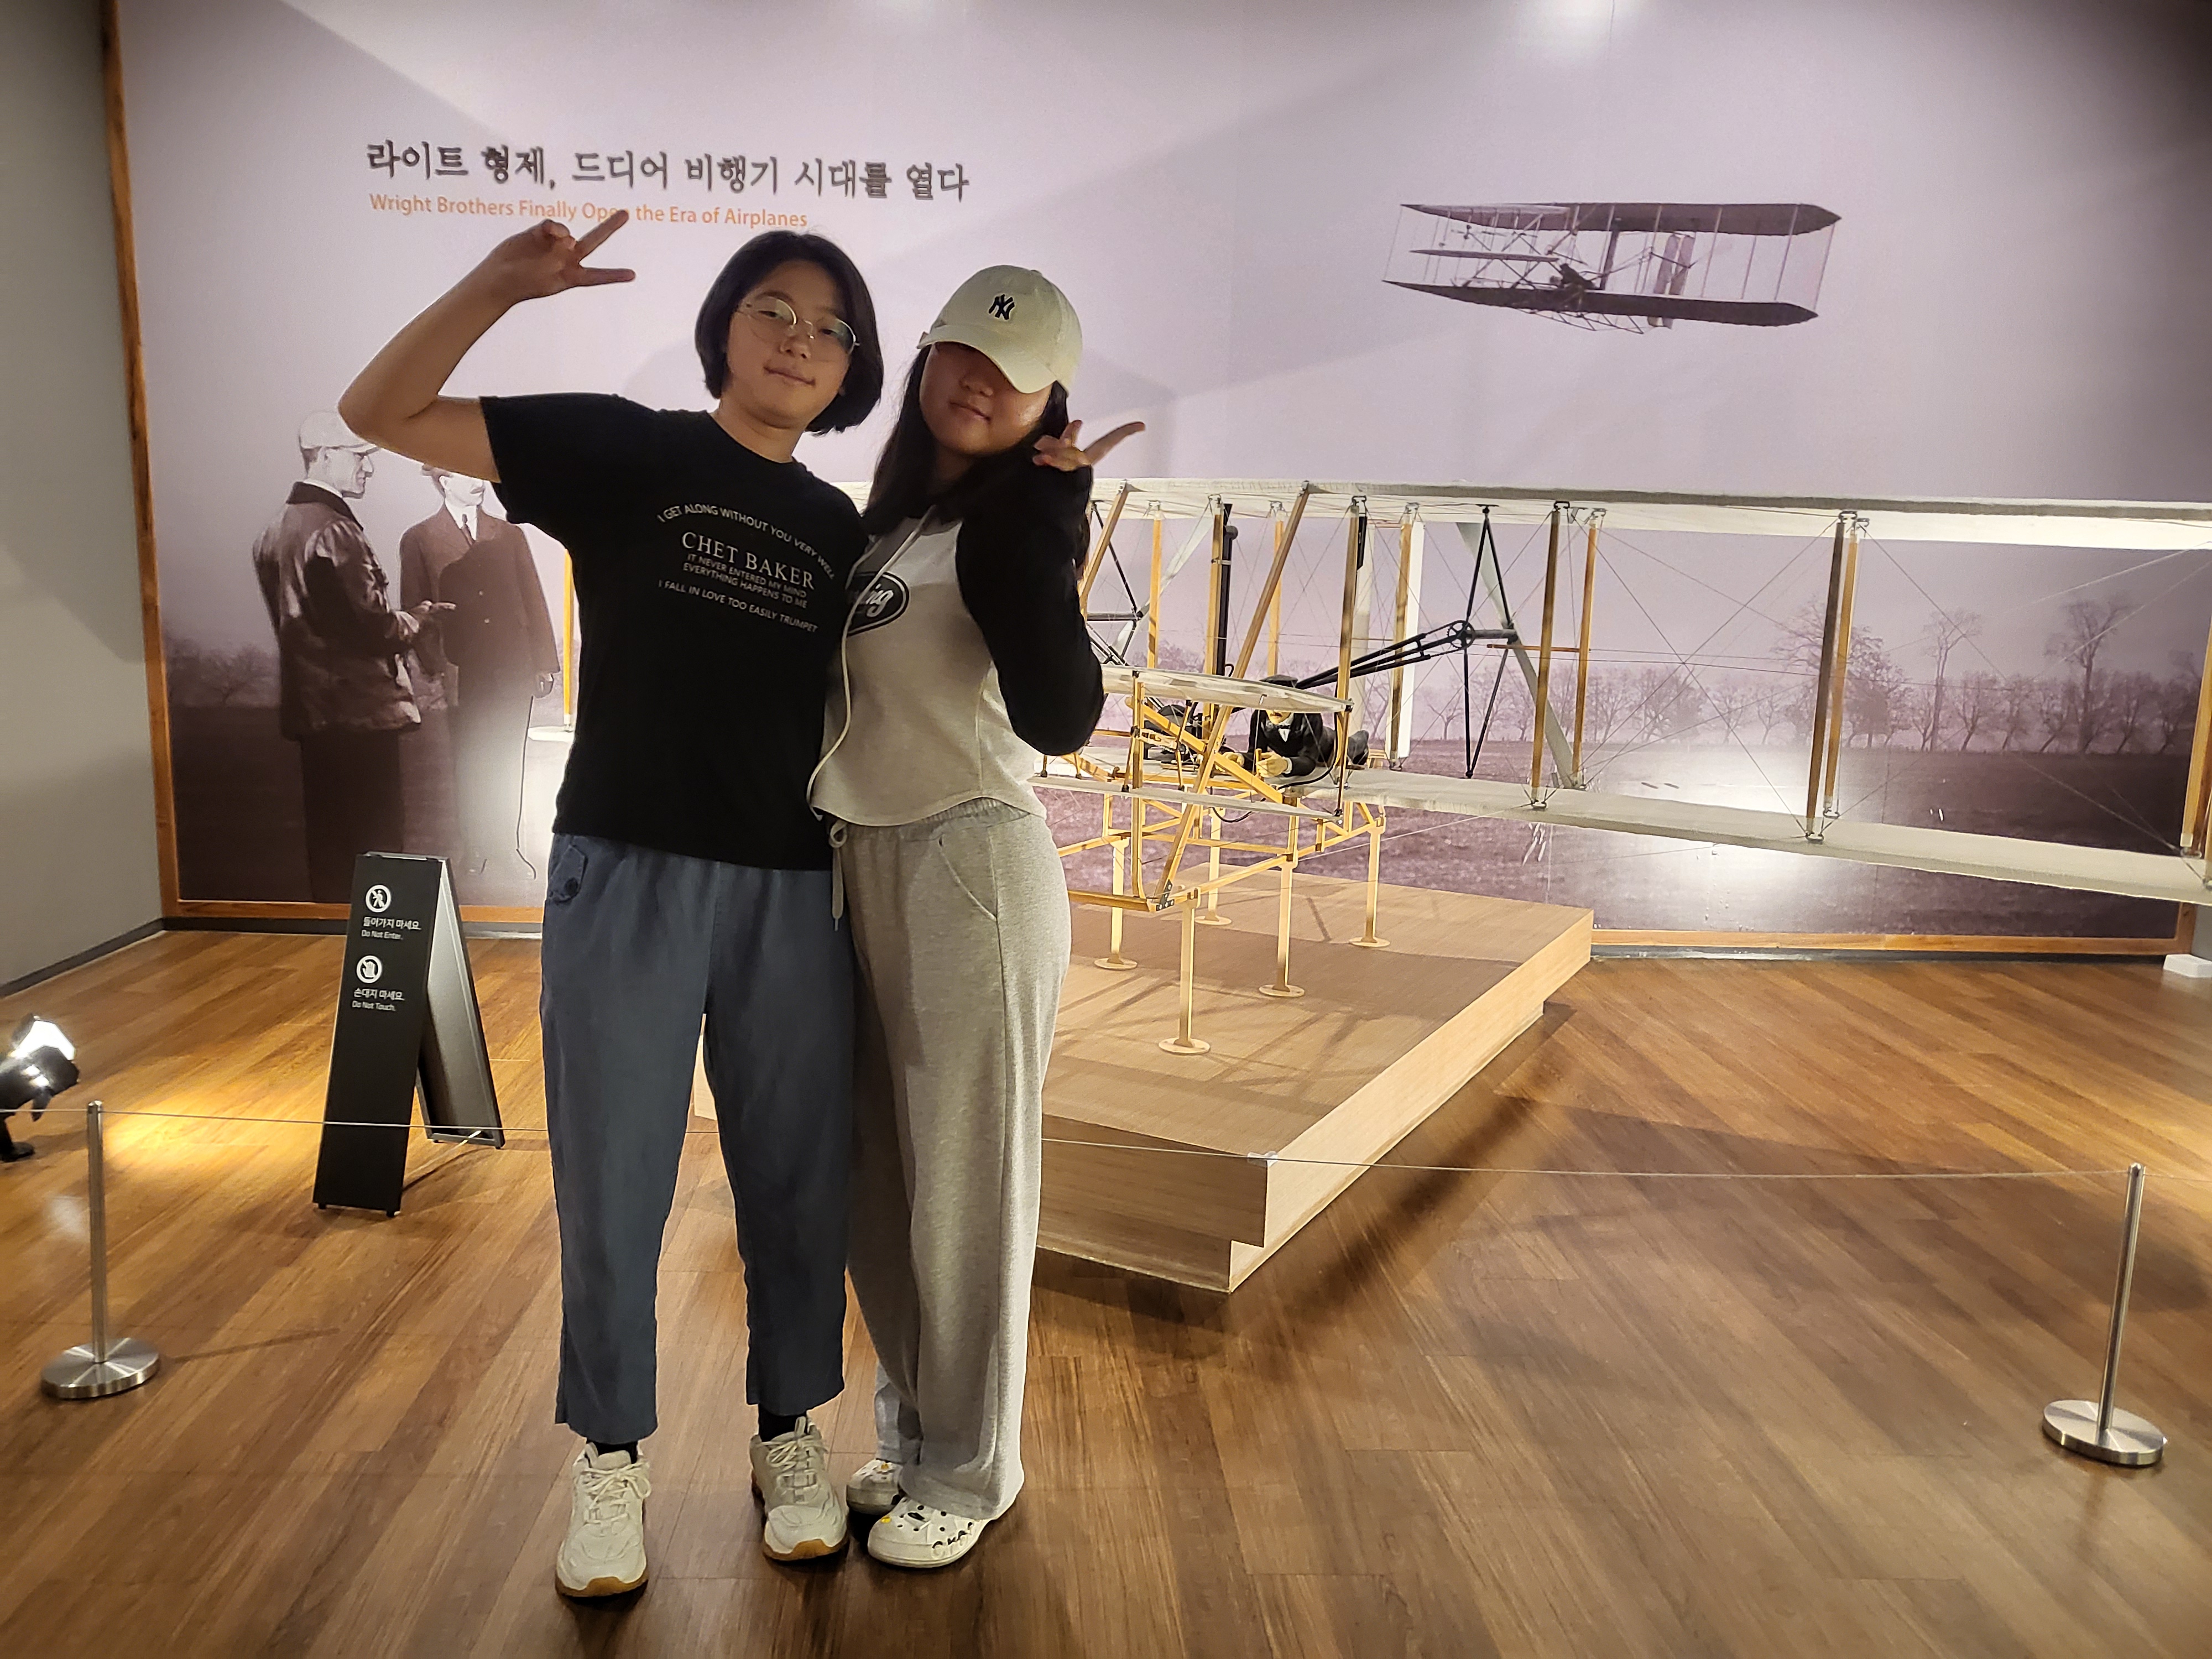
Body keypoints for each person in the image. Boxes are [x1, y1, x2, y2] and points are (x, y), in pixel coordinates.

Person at [338, 213, 886, 1595]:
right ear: (725, 325)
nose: (800, 341)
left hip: (791, 885)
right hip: (624, 868)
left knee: (795, 1178)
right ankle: (611, 1454)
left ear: (851, 370)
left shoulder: (840, 531)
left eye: (831, 329)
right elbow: (378, 410)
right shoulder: (626, 451)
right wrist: (495, 287)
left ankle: (789, 1430)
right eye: (774, 309)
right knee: (613, 1177)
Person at [811, 266, 1139, 1568]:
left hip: (968, 863)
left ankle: (974, 1465)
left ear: (1050, 403)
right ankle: (915, 1435)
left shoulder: (1008, 531)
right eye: (962, 351)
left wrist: (1053, 517)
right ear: (928, 356)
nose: (978, 382)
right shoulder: (893, 524)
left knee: (965, 1188)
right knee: (876, 1184)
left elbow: (1063, 715)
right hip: (854, 863)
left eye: (1014, 374)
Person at [251, 411, 446, 903]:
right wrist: (419, 617)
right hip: (362, 717)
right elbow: (374, 629)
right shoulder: (335, 531)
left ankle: (327, 942)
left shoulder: (273, 531)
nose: (368, 468)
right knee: (378, 850)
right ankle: (382, 948)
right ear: (325, 456)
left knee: (330, 852)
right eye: (359, 457)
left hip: (313, 714)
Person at [399, 465, 561, 883]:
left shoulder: (509, 534)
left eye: (478, 475)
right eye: (464, 475)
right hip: (461, 671)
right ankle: (474, 848)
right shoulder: (419, 539)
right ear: (443, 481)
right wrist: (435, 666)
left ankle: (507, 849)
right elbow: (415, 604)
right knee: (469, 758)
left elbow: (533, 596)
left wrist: (544, 662)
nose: (477, 483)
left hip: (512, 666)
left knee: (508, 758)